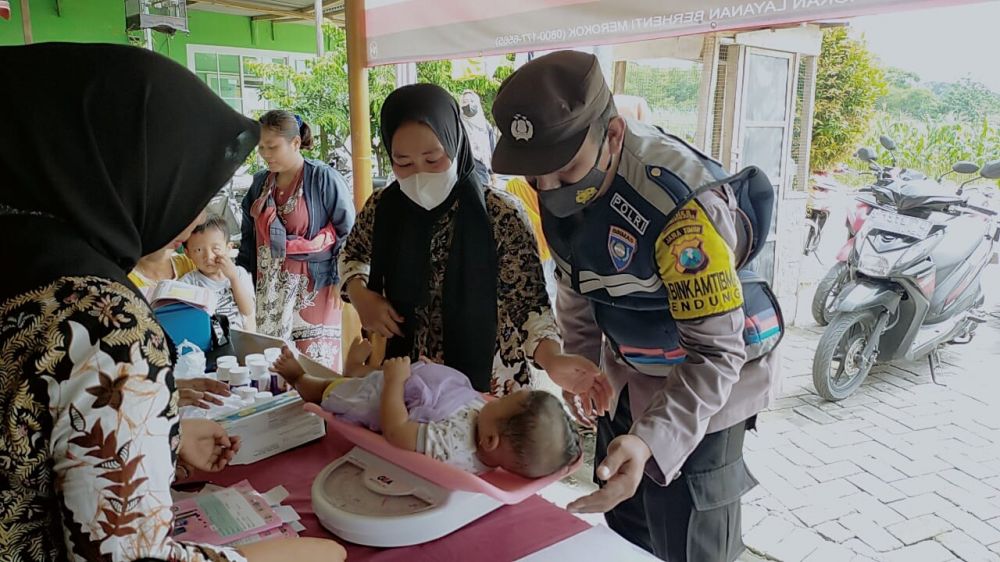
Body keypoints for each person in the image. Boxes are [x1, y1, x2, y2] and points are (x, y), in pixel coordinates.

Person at [0, 43, 344, 562]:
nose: (190, 217)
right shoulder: (105, 324)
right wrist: (269, 557)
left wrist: (156, 431)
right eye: (180, 183)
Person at [492, 51, 782, 562]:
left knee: (688, 536)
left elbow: (717, 355)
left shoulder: (684, 209)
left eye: (566, 172)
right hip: (626, 371)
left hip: (705, 389)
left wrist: (651, 438)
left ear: (615, 135)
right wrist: (580, 367)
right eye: (539, 179)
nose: (551, 193)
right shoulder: (554, 185)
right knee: (623, 527)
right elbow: (575, 283)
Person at [338, 83, 611, 410]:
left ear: (454, 142)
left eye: (433, 158)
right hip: (405, 384)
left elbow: (528, 304)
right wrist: (360, 294)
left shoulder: (499, 214)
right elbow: (352, 254)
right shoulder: (383, 207)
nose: (420, 174)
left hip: (489, 391)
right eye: (403, 163)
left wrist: (552, 358)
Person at [273, 340, 581, 477]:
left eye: (501, 403)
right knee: (377, 375)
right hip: (416, 385)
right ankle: (356, 371)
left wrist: (395, 382)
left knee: (333, 392)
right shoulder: (489, 426)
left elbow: (397, 431)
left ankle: (300, 377)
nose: (495, 399)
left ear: (490, 441)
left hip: (383, 398)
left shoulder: (452, 445)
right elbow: (469, 399)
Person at [238, 110, 355, 370]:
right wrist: (243, 272)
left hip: (315, 287)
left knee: (314, 365)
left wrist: (341, 278)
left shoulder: (322, 178)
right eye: (261, 147)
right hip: (269, 288)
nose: (266, 154)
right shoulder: (261, 183)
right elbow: (249, 234)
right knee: (274, 362)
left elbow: (348, 231)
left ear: (295, 143)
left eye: (272, 146)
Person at [182, 215, 256, 331]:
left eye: (215, 249)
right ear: (187, 253)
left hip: (241, 339)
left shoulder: (239, 274)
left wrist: (233, 278)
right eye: (199, 250)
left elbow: (247, 310)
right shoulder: (187, 283)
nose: (208, 257)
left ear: (228, 247)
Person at [503, 176, 557, 307]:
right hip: (549, 246)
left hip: (537, 247)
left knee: (549, 289)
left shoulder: (515, 185)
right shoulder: (546, 181)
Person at [460, 90, 497, 187]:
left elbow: (491, 151)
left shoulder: (485, 126)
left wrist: (493, 174)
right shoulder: (458, 126)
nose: (468, 104)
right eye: (465, 101)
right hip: (463, 172)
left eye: (472, 101)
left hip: (482, 172)